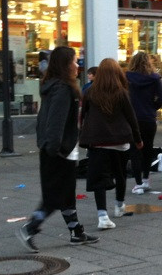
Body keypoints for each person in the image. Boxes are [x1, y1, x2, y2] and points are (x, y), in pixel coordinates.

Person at [16, 47, 96, 251]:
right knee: (55, 197)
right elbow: (54, 122)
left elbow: (44, 119)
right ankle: (31, 227)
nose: (78, 65)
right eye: (75, 61)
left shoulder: (57, 86)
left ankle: (76, 231)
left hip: (63, 149)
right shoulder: (62, 89)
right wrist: (55, 148)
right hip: (59, 151)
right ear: (65, 64)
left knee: (67, 193)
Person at [80, 58, 143, 229]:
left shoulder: (90, 92)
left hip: (97, 141)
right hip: (119, 140)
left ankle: (102, 216)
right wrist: (138, 139)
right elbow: (131, 118)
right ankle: (119, 206)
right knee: (120, 174)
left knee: (99, 179)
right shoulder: (121, 93)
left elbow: (83, 116)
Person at [125, 52, 162, 194]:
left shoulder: (127, 77)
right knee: (148, 149)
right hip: (148, 118)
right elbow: (161, 98)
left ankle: (138, 183)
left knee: (135, 150)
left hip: (132, 118)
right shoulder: (154, 78)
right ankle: (146, 179)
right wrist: (152, 108)